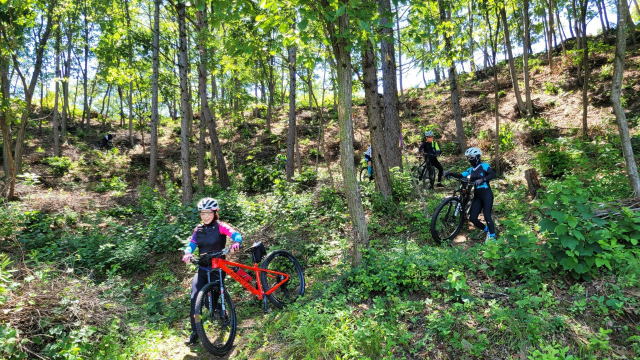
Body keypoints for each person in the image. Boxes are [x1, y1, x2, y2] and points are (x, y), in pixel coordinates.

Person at [181, 197, 243, 345]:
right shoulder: (198, 229)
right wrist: (188, 253)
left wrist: (236, 242)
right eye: (203, 213)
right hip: (202, 268)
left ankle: (224, 316)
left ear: (215, 212)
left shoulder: (221, 226)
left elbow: (235, 234)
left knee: (213, 300)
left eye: (209, 212)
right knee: (194, 299)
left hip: (217, 268)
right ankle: (195, 331)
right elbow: (191, 244)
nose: (206, 216)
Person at [444, 147, 497, 241]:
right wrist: (450, 174)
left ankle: (493, 237)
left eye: (471, 157)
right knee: (472, 218)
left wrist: (482, 179)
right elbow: (460, 176)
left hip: (486, 194)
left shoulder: (484, 166)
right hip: (477, 196)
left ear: (477, 157)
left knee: (487, 215)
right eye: (467, 157)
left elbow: (492, 174)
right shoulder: (470, 170)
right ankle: (487, 230)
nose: (469, 159)